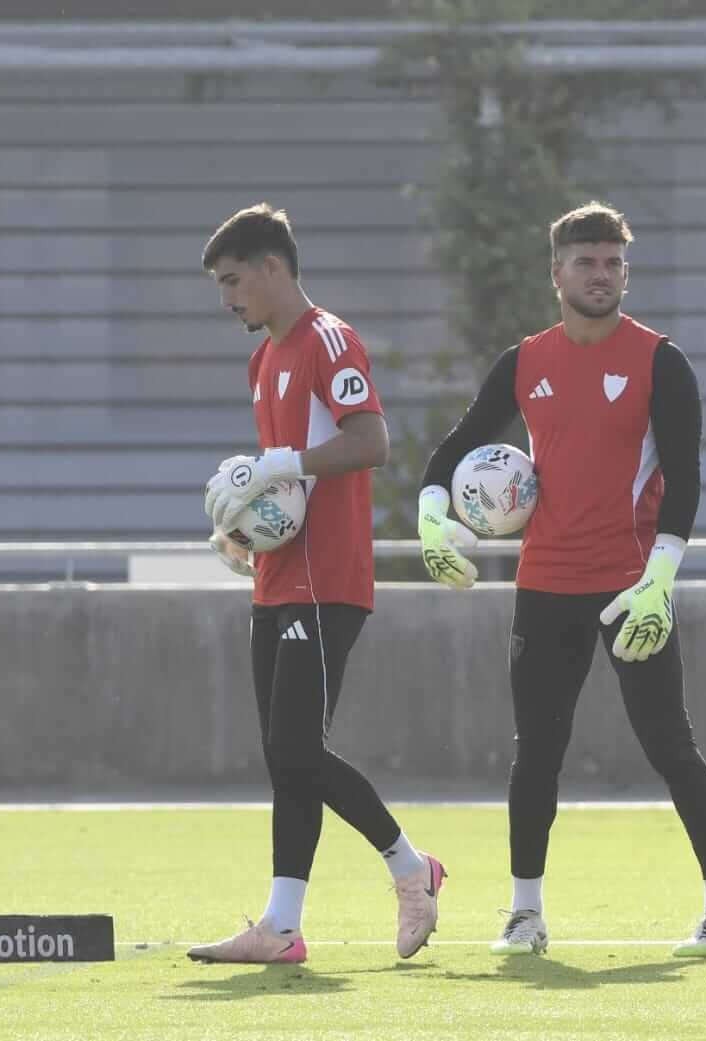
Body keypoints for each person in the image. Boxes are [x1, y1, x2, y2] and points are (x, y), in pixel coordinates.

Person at [416, 201, 706, 959]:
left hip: (631, 586)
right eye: (585, 262)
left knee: (670, 743)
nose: (601, 275)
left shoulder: (662, 360)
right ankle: (525, 915)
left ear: (625, 271)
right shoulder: (525, 361)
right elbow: (456, 448)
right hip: (545, 583)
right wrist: (432, 522)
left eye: (612, 263)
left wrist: (660, 578)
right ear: (556, 272)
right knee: (536, 749)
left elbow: (688, 478)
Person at [187, 203, 446, 965]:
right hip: (276, 578)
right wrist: (243, 531)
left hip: (327, 579)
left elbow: (371, 442)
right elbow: (283, 494)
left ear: (274, 268)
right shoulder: (262, 359)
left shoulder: (330, 339)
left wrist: (277, 464)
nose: (227, 298)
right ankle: (281, 925)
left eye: (234, 280)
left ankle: (411, 868)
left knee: (296, 744)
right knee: (285, 752)